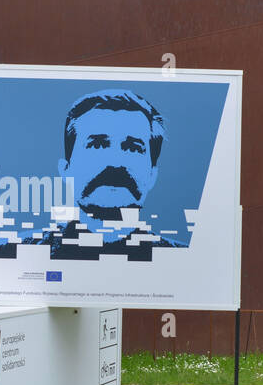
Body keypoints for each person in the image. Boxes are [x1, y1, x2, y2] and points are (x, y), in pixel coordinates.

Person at [37, 88, 181, 260]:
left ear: (152, 175)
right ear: (66, 170)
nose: (115, 162)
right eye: (97, 145)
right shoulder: (4, 253)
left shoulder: (186, 262)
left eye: (133, 148)